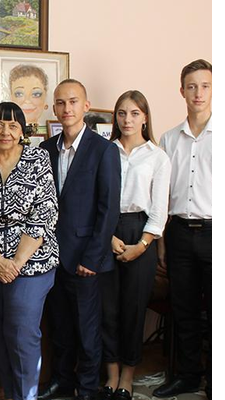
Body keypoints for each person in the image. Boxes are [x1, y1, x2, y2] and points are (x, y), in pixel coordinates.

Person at [0, 101, 59, 400]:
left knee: (22, 332)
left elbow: (45, 212)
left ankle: (26, 396)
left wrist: (15, 262)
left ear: (22, 132)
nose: (5, 131)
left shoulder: (38, 159)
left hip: (32, 262)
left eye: (13, 125)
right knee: (2, 332)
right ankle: (12, 394)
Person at [38, 79, 121, 400]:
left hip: (86, 258)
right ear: (54, 108)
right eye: (60, 103)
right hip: (51, 257)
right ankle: (62, 381)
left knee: (88, 331)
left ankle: (86, 389)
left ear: (86, 106)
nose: (66, 108)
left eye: (73, 101)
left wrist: (93, 257)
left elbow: (108, 209)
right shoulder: (45, 149)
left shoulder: (104, 150)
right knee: (60, 327)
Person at [97, 91, 171, 400]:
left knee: (133, 310)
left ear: (145, 117)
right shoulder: (104, 151)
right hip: (107, 230)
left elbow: (159, 209)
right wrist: (107, 237)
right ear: (115, 117)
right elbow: (95, 199)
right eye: (122, 113)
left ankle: (128, 376)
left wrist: (141, 245)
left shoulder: (157, 156)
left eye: (134, 113)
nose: (127, 119)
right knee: (107, 309)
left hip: (141, 232)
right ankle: (111, 374)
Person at [152, 59, 212, 400]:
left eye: (204, 86)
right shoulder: (169, 138)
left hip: (215, 233)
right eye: (191, 87)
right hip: (179, 234)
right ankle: (188, 376)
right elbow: (161, 195)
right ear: (182, 92)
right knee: (184, 310)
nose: (198, 93)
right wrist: (161, 243)